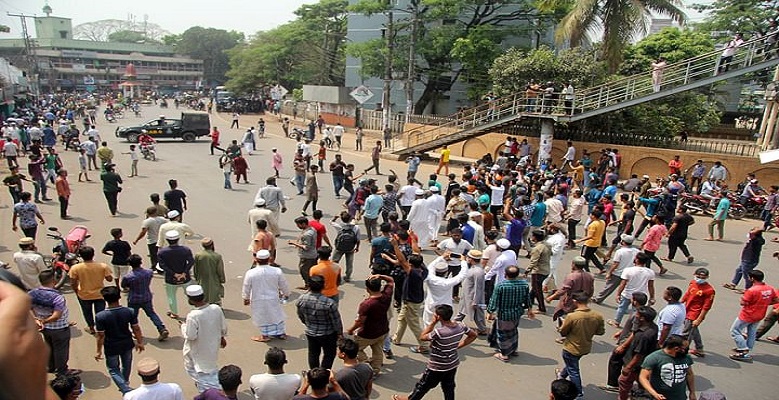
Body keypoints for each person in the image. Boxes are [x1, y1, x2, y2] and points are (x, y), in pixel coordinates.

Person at [393, 304, 478, 400]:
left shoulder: (439, 332)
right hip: (452, 364)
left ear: (438, 317)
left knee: (422, 386)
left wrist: (432, 323)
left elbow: (422, 337)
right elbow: (473, 335)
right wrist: (458, 346)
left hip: (437, 366)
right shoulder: (461, 326)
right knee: (449, 387)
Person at [94, 286, 145, 394]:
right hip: (127, 343)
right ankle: (124, 382)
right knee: (127, 364)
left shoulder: (100, 316)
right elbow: (136, 328)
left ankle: (125, 388)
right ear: (119, 297)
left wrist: (98, 350)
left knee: (113, 368)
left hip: (111, 346)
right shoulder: (129, 311)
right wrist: (140, 342)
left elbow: (101, 335)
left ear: (104, 299)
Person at [556, 291, 605, 399]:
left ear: (575, 301)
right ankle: (562, 375)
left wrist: (560, 327)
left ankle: (578, 393)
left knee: (574, 371)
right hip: (585, 346)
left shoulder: (572, 316)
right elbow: (601, 332)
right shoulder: (597, 316)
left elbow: (563, 332)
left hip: (571, 347)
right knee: (572, 363)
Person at [181, 285, 229, 392]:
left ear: (190, 299)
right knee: (209, 366)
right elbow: (223, 327)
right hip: (212, 345)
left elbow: (191, 336)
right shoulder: (216, 308)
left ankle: (211, 391)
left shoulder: (193, 315)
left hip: (198, 349)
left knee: (199, 370)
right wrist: (222, 338)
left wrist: (183, 326)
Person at [29, 270, 75, 376]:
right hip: (59, 328)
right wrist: (44, 320)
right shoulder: (57, 297)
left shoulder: (32, 293)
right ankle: (62, 371)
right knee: (61, 350)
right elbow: (56, 316)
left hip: (44, 328)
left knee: (49, 346)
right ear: (54, 281)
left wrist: (37, 320)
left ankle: (51, 367)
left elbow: (29, 308)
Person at [347, 274, 394, 376]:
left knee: (356, 349)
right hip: (382, 330)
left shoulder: (366, 304)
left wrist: (351, 329)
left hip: (367, 333)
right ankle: (375, 370)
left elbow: (360, 321)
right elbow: (390, 281)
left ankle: (365, 364)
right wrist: (380, 276)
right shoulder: (386, 295)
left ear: (367, 289)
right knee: (378, 351)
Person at [729, 269, 778, 361]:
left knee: (735, 331)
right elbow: (776, 300)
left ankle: (743, 350)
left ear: (752, 278)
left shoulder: (751, 290)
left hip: (747, 315)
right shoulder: (769, 288)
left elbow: (743, 303)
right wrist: (764, 303)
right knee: (751, 332)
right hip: (760, 314)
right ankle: (747, 348)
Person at [487, 265, 534, 361]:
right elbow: (527, 299)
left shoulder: (501, 286)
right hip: (517, 313)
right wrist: (529, 310)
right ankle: (513, 349)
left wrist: (490, 312)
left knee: (503, 334)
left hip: (504, 314)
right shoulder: (524, 285)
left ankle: (504, 354)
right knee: (513, 331)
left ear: (505, 274)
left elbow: (494, 300)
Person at [243, 250, 291, 342]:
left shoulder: (251, 273)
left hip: (258, 299)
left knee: (262, 316)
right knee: (277, 314)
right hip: (273, 298)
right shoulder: (277, 271)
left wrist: (246, 298)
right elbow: (284, 284)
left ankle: (265, 336)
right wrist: (286, 294)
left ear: (256, 259)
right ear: (269, 259)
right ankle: (280, 333)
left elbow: (246, 286)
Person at [296, 275, 343, 369]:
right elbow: (336, 321)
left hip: (311, 332)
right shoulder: (329, 303)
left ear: (309, 286)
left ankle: (314, 373)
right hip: (328, 333)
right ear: (323, 286)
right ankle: (324, 373)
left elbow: (301, 316)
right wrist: (339, 334)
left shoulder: (301, 299)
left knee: (313, 353)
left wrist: (308, 324)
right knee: (329, 354)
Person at [121, 254, 169, 342]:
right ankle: (162, 329)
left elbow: (124, 286)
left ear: (130, 264)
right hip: (146, 297)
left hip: (133, 299)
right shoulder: (149, 272)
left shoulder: (128, 277)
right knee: (151, 314)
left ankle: (136, 332)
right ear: (141, 262)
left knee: (133, 317)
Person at [616, 306, 659, 400]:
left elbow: (639, 354)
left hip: (636, 365)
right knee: (641, 380)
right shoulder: (653, 327)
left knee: (623, 381)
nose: (635, 315)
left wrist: (628, 367)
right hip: (644, 363)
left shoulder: (644, 335)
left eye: (638, 314)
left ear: (643, 318)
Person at [69, 246, 114, 335]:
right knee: (100, 312)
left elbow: (73, 282)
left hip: (84, 294)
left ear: (81, 256)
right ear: (93, 255)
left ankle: (91, 328)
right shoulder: (102, 266)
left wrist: (76, 291)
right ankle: (100, 328)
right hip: (99, 294)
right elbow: (109, 279)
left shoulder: (75, 268)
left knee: (87, 312)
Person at [639, 335, 696, 400]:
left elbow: (689, 374)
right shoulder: (654, 358)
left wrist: (692, 393)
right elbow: (643, 377)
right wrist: (655, 394)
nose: (687, 351)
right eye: (684, 349)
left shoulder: (686, 357)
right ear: (676, 349)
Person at [611, 252, 656, 328]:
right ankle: (633, 326)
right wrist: (652, 297)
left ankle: (616, 322)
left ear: (637, 260)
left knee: (621, 308)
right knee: (637, 312)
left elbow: (623, 283)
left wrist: (618, 294)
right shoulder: (650, 272)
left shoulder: (628, 270)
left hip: (628, 294)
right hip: (641, 296)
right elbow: (650, 286)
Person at [157, 230, 195, 319]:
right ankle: (195, 311)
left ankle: (174, 313)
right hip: (185, 277)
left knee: (171, 296)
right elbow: (191, 261)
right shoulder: (185, 250)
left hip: (170, 278)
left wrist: (174, 274)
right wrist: (184, 273)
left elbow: (162, 266)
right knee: (190, 294)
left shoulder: (162, 252)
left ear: (167, 240)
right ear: (178, 239)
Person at [547, 257, 595, 325]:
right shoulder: (590, 276)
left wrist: (551, 297)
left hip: (571, 300)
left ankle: (564, 327)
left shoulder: (571, 277)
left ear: (573, 264)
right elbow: (591, 288)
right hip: (583, 300)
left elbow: (563, 290)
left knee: (564, 314)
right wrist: (589, 297)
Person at [594, 234, 639, 304]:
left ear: (623, 242)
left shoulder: (620, 251)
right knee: (627, 290)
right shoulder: (636, 251)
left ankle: (599, 299)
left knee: (609, 287)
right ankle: (624, 304)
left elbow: (615, 263)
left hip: (618, 273)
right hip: (631, 274)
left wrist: (609, 273)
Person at [680, 268, 715, 357]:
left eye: (703, 277)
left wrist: (699, 319)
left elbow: (706, 307)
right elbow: (688, 294)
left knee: (686, 334)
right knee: (694, 330)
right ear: (694, 274)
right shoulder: (693, 283)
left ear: (707, 277)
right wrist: (680, 303)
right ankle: (699, 349)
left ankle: (682, 351)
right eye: (698, 276)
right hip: (686, 310)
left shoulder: (709, 290)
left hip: (694, 314)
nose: (700, 278)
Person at [455, 250, 488, 335]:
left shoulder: (478, 271)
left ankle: (483, 329)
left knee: (477, 314)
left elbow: (479, 288)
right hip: (466, 294)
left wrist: (475, 301)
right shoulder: (472, 268)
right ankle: (455, 322)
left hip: (472, 297)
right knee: (462, 310)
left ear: (471, 259)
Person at [723, 226, 765, 291]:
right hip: (748, 259)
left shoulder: (756, 239)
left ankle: (748, 289)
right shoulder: (757, 239)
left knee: (747, 275)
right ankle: (733, 284)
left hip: (749, 260)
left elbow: (751, 233)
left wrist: (758, 229)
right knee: (739, 270)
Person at [192, 238, 226, 306]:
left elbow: (195, 268)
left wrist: (196, 277)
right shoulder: (217, 256)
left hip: (202, 279)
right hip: (214, 279)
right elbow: (220, 270)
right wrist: (222, 279)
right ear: (212, 245)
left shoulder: (198, 255)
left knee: (204, 294)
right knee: (214, 295)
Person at [133, 207, 166, 274]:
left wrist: (137, 240)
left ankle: (155, 268)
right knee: (161, 254)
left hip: (152, 240)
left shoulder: (147, 221)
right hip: (162, 240)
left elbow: (143, 232)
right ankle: (162, 267)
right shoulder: (163, 219)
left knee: (153, 255)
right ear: (156, 212)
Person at [289, 216, 318, 290]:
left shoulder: (307, 234)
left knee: (303, 270)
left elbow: (306, 247)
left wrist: (294, 243)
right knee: (311, 271)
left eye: (298, 225)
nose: (298, 226)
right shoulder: (312, 229)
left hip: (307, 256)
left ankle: (308, 285)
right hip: (313, 254)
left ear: (304, 224)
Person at [526, 230, 551, 313]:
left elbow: (533, 261)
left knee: (537, 290)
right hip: (546, 269)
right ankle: (528, 301)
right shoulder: (547, 245)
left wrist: (527, 271)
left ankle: (542, 308)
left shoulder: (537, 249)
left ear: (535, 238)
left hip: (538, 271)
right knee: (535, 287)